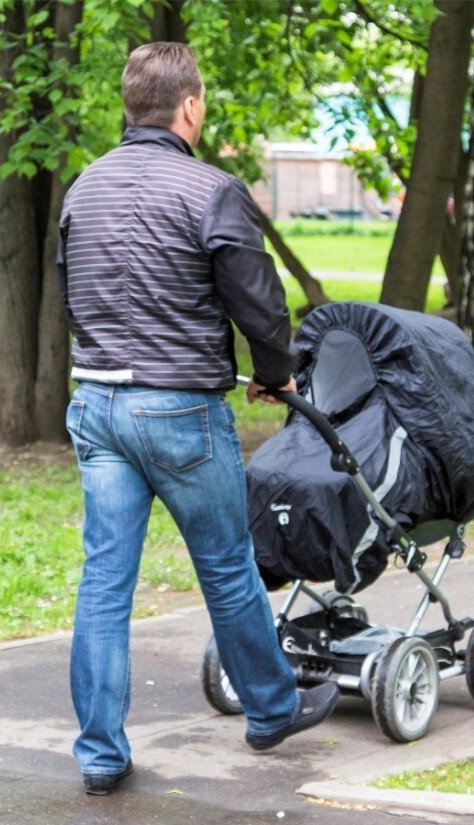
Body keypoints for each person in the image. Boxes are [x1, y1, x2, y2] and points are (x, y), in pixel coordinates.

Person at [56, 41, 339, 796]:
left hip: (96, 403)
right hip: (178, 407)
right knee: (225, 563)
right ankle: (273, 706)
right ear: (189, 107)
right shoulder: (211, 189)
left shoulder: (83, 187)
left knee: (104, 582)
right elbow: (260, 302)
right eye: (202, 100)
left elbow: (71, 294)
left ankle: (100, 754)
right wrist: (276, 376)